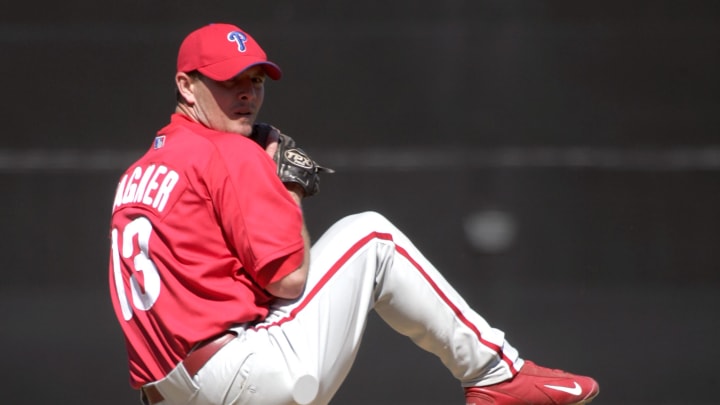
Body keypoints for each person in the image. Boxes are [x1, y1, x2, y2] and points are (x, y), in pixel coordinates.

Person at [107, 22, 600, 405]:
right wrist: (290, 187)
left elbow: (204, 286)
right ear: (186, 86)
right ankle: (498, 374)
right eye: (229, 80)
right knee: (371, 236)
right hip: (241, 376)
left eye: (255, 80)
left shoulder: (138, 175)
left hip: (169, 390)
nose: (247, 93)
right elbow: (290, 280)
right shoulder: (230, 152)